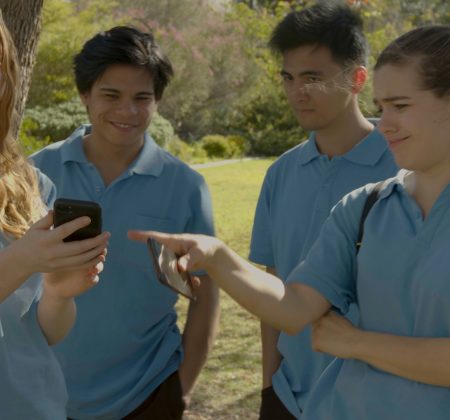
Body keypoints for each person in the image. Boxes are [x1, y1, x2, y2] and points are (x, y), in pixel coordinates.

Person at [130, 24, 450, 420]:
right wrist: (217, 257)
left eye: (400, 106)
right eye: (382, 107)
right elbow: (295, 306)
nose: (384, 124)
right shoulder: (364, 207)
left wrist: (356, 344)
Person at [32, 26, 219, 420]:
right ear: (85, 95)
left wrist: (182, 387)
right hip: (42, 393)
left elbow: (204, 296)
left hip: (148, 394)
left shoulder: (187, 187)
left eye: (142, 98)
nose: (127, 111)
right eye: (111, 95)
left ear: (158, 101)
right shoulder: (35, 173)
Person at [248, 2, 397, 418]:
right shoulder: (280, 173)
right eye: (290, 78)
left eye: (313, 77)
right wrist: (267, 386)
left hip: (374, 401)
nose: (299, 91)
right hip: (288, 395)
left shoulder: (406, 167)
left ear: (358, 79)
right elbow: (274, 288)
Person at [0, 15, 108, 419]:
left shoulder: (30, 184)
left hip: (33, 406)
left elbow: (42, 333)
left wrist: (61, 291)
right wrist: (22, 259)